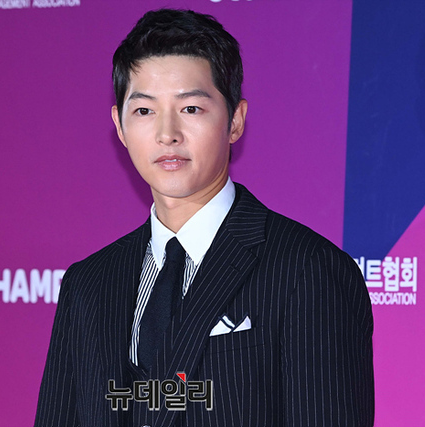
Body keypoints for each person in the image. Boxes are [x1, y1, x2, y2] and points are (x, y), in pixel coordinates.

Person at [35, 8, 374, 427]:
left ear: (235, 121)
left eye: (191, 108)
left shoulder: (307, 270)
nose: (167, 134)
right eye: (144, 111)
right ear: (119, 127)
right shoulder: (88, 284)